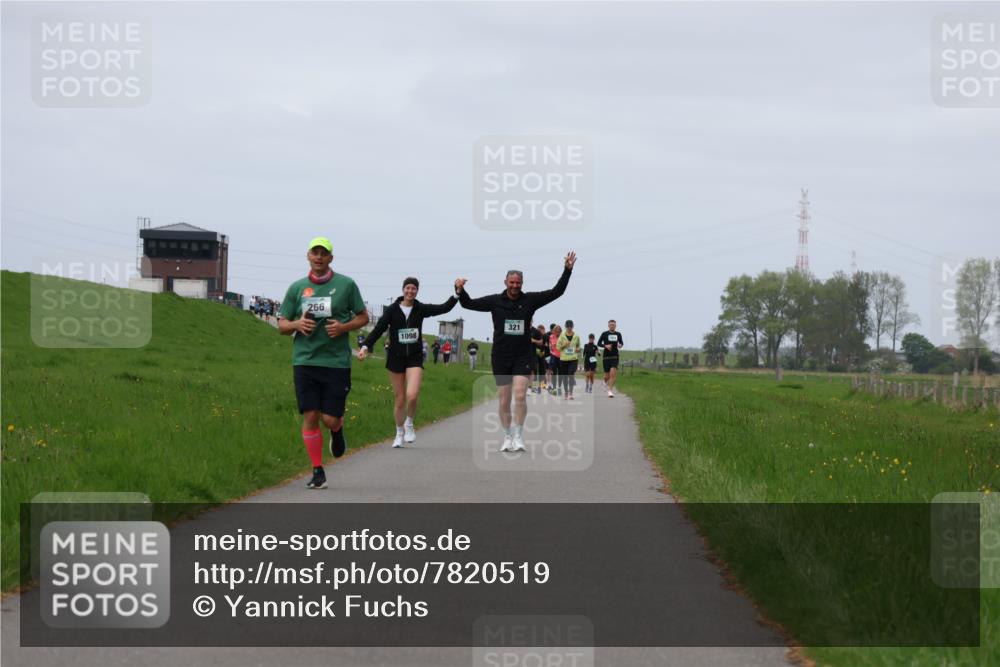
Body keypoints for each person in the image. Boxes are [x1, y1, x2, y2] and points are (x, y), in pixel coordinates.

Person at [454, 251, 576, 452]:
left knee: (519, 395)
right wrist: (459, 290)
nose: (515, 286)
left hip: (522, 355)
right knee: (504, 399)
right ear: (505, 282)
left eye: (518, 283)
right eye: (511, 282)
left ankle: (518, 436)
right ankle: (507, 436)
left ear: (522, 283)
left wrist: (567, 270)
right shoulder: (494, 301)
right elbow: (469, 304)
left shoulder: (530, 300)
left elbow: (557, 292)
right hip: (501, 356)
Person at [278, 237, 369, 490]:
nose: (319, 257)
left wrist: (343, 327)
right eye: (315, 252)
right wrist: (297, 324)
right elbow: (282, 324)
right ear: (308, 255)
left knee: (329, 419)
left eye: (324, 253)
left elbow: (363, 317)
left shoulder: (346, 285)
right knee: (310, 414)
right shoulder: (297, 289)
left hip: (336, 362)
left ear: (331, 258)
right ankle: (317, 471)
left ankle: (337, 431)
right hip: (305, 360)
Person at [358, 277, 457, 447]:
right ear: (403, 289)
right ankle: (398, 433)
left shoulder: (420, 309)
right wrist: (365, 346)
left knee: (412, 396)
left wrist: (457, 293)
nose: (410, 291)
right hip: (395, 357)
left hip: (414, 357)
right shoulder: (392, 310)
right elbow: (379, 328)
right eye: (408, 288)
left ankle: (409, 423)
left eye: (414, 289)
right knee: (400, 399)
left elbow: (443, 308)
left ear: (417, 291)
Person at [597, 320, 624, 398]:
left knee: (613, 373)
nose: (612, 326)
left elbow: (621, 342)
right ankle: (604, 382)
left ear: (616, 326)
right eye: (611, 325)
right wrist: (605, 346)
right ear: (608, 326)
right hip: (606, 357)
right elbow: (599, 343)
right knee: (607, 376)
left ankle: (610, 391)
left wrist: (620, 345)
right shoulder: (604, 334)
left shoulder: (618, 334)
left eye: (613, 325)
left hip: (615, 356)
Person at [557, 319, 581, 400]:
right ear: (565, 327)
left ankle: (571, 393)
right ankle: (566, 393)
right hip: (563, 359)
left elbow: (578, 346)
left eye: (570, 327)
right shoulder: (562, 336)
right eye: (568, 327)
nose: (569, 328)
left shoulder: (576, 336)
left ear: (573, 326)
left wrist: (578, 349)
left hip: (573, 359)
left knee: (571, 374)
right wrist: (564, 345)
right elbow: (558, 348)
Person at [531, 323, 548, 393]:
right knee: (534, 370)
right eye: (539, 330)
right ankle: (534, 386)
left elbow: (547, 346)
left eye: (542, 330)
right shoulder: (536, 335)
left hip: (543, 355)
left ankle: (542, 385)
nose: (541, 332)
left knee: (542, 370)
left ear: (544, 330)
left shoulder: (546, 336)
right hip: (535, 354)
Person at [547, 324, 562, 395]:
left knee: (560, 373)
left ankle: (559, 387)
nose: (557, 332)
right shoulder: (551, 336)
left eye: (558, 331)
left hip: (561, 356)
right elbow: (550, 345)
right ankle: (554, 388)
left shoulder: (562, 337)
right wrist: (551, 347)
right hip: (554, 355)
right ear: (554, 331)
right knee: (554, 372)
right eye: (556, 331)